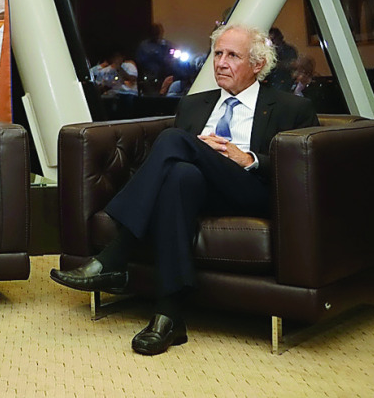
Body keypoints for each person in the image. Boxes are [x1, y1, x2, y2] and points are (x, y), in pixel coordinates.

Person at [50, 23, 318, 355]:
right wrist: (200, 150)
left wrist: (248, 158)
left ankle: (116, 254)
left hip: (251, 190)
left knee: (174, 140)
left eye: (232, 56)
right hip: (199, 191)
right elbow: (175, 165)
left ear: (258, 64)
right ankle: (169, 316)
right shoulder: (194, 105)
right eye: (218, 54)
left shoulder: (291, 108)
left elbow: (302, 167)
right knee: (180, 175)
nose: (221, 63)